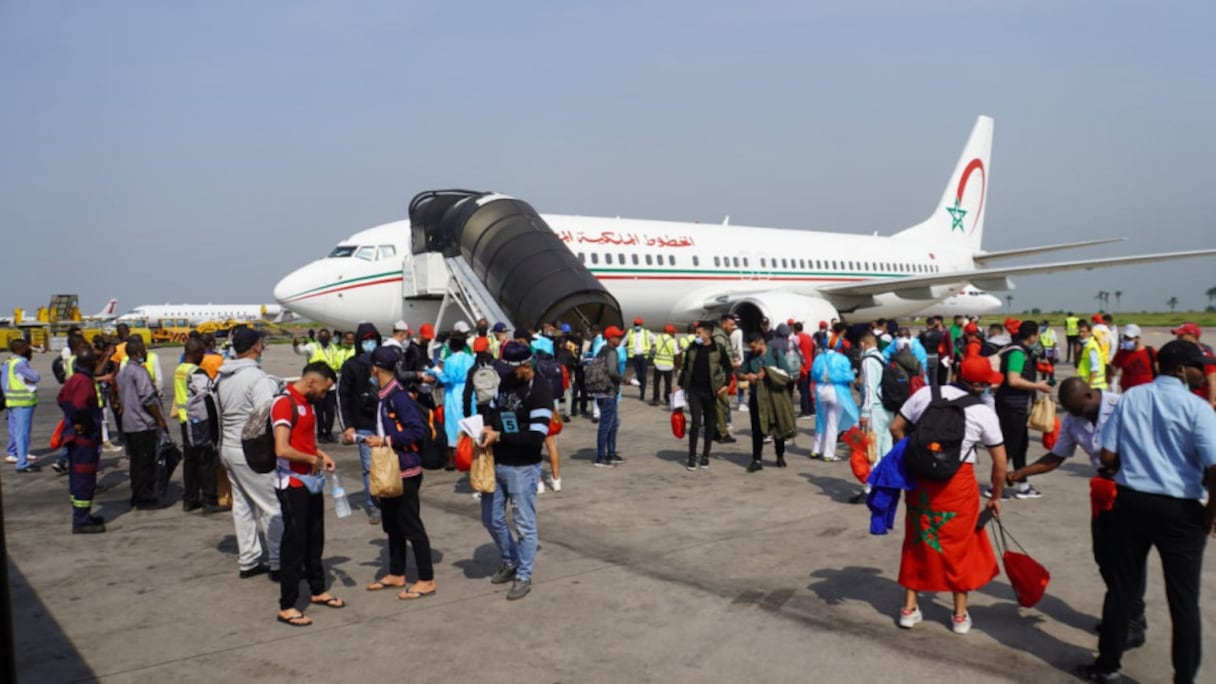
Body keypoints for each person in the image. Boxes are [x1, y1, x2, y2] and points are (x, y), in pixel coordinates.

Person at [1079, 341, 1216, 683]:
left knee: (1122, 589)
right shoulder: (1198, 409)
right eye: (1199, 365)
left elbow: (1107, 456)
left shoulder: (1130, 399)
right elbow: (1215, 467)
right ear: (1181, 369)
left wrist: (1129, 465)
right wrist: (1211, 515)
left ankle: (1107, 664)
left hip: (1131, 504)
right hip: (1181, 512)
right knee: (1184, 601)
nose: (1204, 372)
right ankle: (1184, 677)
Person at [1007, 379, 1148, 651]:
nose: (1074, 415)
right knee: (1104, 557)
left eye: (1077, 409)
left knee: (1129, 560)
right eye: (1070, 411)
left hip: (1133, 492)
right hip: (1104, 492)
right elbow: (1056, 457)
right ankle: (1120, 611)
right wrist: (1021, 473)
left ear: (1089, 394)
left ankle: (1133, 620)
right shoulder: (1074, 419)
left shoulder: (1122, 407)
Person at [890, 356, 1008, 635]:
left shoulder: (924, 394)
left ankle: (908, 610)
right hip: (958, 486)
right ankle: (958, 615)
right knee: (960, 547)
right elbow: (1000, 463)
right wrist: (996, 496)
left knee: (916, 541)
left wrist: (910, 457)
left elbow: (896, 427)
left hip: (920, 483)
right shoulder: (982, 412)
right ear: (980, 385)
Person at [479, 341, 553, 601]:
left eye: (511, 369)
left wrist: (499, 436)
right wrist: (486, 426)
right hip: (497, 462)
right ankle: (510, 560)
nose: (506, 374)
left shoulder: (540, 391)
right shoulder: (506, 382)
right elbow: (493, 409)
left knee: (524, 525)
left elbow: (536, 437)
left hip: (523, 467)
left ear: (526, 365)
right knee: (491, 518)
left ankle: (524, 574)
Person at [271, 361, 341, 627]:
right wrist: (312, 459)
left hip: (310, 481)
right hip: (292, 483)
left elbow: (306, 442)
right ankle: (287, 605)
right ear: (312, 382)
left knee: (315, 537)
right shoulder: (284, 403)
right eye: (324, 390)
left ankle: (318, 589)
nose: (324, 396)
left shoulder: (307, 404)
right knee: (295, 543)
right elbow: (281, 448)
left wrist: (322, 455)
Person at [363, 347, 436, 600]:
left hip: (406, 470)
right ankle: (396, 572)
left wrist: (384, 441)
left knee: (411, 525)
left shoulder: (399, 397)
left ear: (375, 368)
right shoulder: (384, 395)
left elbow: (417, 431)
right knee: (392, 525)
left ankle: (426, 579)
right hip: (393, 470)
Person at [217, 327, 284, 580]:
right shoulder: (257, 379)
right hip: (251, 450)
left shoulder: (224, 376)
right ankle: (278, 562)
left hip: (228, 448)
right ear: (256, 346)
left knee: (243, 506)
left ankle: (249, 560)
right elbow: (266, 416)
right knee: (272, 506)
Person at [992, 321, 1053, 500]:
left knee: (1021, 446)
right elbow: (1013, 379)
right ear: (1032, 336)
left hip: (1017, 405)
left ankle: (1023, 484)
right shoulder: (1018, 353)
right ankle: (996, 487)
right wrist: (1037, 386)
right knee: (1009, 448)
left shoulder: (1019, 350)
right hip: (1012, 405)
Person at [339, 323, 385, 525]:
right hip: (364, 423)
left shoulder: (385, 361)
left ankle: (388, 497)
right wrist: (347, 426)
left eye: (373, 338)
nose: (370, 343)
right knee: (369, 466)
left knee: (388, 462)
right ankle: (373, 504)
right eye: (366, 339)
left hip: (385, 422)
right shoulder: (351, 366)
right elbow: (342, 397)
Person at [115, 335, 168, 507]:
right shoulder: (139, 372)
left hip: (128, 424)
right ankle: (145, 497)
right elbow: (147, 399)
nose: (146, 352)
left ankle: (137, 494)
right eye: (144, 349)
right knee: (146, 463)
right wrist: (159, 418)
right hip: (142, 425)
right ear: (138, 353)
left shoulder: (122, 373)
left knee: (136, 464)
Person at [58, 345, 106, 533]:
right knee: (84, 477)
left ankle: (83, 514)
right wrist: (85, 423)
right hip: (84, 438)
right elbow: (78, 406)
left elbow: (61, 399)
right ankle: (81, 520)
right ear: (89, 363)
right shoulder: (84, 382)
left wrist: (71, 419)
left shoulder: (74, 379)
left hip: (76, 435)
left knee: (78, 476)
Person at [675, 321, 733, 470]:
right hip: (694, 391)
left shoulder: (717, 349)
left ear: (707, 334)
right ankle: (692, 456)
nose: (697, 335)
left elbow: (728, 367)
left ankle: (705, 456)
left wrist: (726, 384)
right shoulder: (693, 347)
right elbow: (686, 367)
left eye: (699, 333)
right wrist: (679, 385)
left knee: (710, 425)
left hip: (711, 392)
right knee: (695, 423)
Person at [738, 332, 797, 471]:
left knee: (778, 427)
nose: (752, 350)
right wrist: (748, 376)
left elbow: (787, 374)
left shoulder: (776, 354)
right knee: (757, 430)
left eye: (754, 347)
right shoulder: (751, 357)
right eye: (750, 348)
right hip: (757, 398)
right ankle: (756, 459)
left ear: (761, 343)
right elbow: (739, 372)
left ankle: (780, 455)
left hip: (775, 398)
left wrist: (768, 372)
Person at [174, 338, 219, 513]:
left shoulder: (179, 369)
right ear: (196, 353)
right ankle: (209, 499)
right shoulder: (197, 372)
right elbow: (208, 394)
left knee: (190, 461)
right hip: (198, 422)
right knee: (207, 460)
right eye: (201, 353)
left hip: (185, 421)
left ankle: (190, 499)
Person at [855, 333, 892, 502]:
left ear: (864, 343)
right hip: (887, 408)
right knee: (886, 448)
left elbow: (869, 388)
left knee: (872, 450)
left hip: (875, 409)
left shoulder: (869, 361)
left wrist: (864, 412)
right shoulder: (882, 357)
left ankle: (871, 488)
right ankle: (886, 486)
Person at [811, 338, 860, 462]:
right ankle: (829, 453)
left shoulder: (818, 358)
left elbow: (813, 375)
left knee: (820, 420)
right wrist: (853, 373)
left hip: (820, 390)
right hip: (836, 392)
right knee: (832, 424)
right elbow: (848, 376)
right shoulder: (842, 359)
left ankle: (816, 450)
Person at [433, 331, 475, 469]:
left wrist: (436, 372)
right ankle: (471, 454)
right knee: (468, 422)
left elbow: (448, 379)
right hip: (468, 392)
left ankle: (451, 459)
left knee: (451, 425)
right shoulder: (470, 359)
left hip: (452, 393)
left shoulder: (450, 361)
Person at [293, 329, 341, 443]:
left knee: (330, 411)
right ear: (319, 337)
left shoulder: (333, 348)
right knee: (319, 412)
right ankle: (320, 434)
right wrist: (295, 342)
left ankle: (328, 433)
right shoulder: (312, 347)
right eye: (322, 336)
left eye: (326, 336)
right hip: (317, 385)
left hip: (330, 385)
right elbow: (300, 350)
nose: (324, 338)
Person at [4, 339, 42, 472]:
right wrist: (33, 376)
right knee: (23, 433)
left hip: (13, 401)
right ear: (21, 349)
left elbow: (4, 383)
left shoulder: (9, 362)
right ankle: (22, 463)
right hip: (23, 401)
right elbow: (35, 376)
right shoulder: (20, 363)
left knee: (16, 431)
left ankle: (18, 455)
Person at [593, 326, 624, 467]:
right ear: (611, 338)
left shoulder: (601, 350)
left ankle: (611, 453)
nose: (620, 339)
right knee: (606, 425)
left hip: (601, 392)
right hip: (608, 393)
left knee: (613, 423)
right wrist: (623, 379)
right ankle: (601, 457)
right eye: (617, 336)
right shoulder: (612, 352)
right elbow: (612, 372)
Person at [1171, 322, 1216, 408]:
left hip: (1201, 401)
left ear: (1192, 336)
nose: (1177, 338)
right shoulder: (1179, 353)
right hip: (1185, 401)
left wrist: (1210, 407)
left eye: (1181, 336)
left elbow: (1213, 382)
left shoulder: (1204, 355)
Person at [1110, 323, 1155, 392]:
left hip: (1147, 392)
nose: (1125, 340)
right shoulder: (1121, 353)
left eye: (1129, 338)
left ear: (1138, 338)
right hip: (1128, 392)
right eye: (1125, 338)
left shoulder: (1150, 352)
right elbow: (1113, 371)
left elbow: (1159, 371)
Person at [624, 318, 653, 401]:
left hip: (644, 356)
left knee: (643, 375)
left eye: (638, 325)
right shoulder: (630, 332)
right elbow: (624, 341)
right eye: (636, 325)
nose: (637, 326)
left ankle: (642, 393)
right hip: (635, 356)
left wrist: (650, 348)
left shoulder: (646, 333)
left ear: (641, 325)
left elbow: (655, 340)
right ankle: (641, 388)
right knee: (639, 375)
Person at [649, 324, 678, 407]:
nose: (674, 334)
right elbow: (676, 354)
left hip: (658, 364)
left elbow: (652, 348)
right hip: (668, 365)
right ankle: (667, 400)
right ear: (670, 332)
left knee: (656, 383)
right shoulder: (673, 341)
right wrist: (677, 366)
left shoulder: (658, 338)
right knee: (668, 384)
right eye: (673, 332)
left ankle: (656, 399)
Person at [1077, 321, 1108, 390]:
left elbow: (1094, 369)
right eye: (1079, 332)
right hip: (1093, 386)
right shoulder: (1087, 345)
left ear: (1089, 332)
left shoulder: (1091, 347)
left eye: (1083, 332)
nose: (1080, 334)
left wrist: (1088, 386)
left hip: (1094, 387)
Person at [794, 322, 815, 418]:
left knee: (803, 390)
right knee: (808, 389)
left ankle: (805, 411)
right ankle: (811, 409)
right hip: (810, 364)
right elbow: (814, 347)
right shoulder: (809, 337)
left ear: (795, 329)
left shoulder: (797, 337)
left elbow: (794, 350)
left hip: (803, 367)